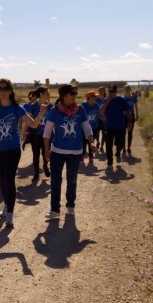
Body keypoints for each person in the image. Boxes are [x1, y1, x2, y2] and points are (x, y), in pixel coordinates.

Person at [0, 78, 44, 228]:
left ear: (10, 90)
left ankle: (10, 213)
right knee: (2, 180)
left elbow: (33, 124)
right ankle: (7, 203)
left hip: (12, 149)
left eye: (5, 88)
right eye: (0, 88)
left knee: (10, 179)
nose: (2, 91)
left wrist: (41, 113)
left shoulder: (17, 108)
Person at [43, 84, 96, 219]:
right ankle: (55, 210)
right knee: (56, 181)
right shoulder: (54, 111)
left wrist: (91, 142)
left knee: (72, 180)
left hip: (75, 152)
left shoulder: (80, 110)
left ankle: (70, 206)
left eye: (75, 93)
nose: (75, 96)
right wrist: (46, 151)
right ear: (64, 95)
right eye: (72, 93)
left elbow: (87, 128)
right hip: (57, 152)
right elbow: (47, 133)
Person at [26, 86, 52, 181]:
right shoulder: (32, 106)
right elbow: (28, 121)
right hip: (35, 135)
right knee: (35, 154)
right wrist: (24, 133)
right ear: (41, 94)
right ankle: (36, 173)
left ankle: (45, 166)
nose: (48, 94)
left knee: (45, 153)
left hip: (47, 135)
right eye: (46, 93)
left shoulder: (50, 106)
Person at [99, 84, 129, 166]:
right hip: (109, 127)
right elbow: (100, 110)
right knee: (108, 145)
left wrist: (129, 122)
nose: (111, 93)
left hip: (120, 126)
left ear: (116, 92)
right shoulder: (106, 100)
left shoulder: (121, 100)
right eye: (110, 91)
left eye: (113, 91)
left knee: (120, 143)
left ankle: (118, 152)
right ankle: (110, 160)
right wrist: (108, 101)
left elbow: (128, 111)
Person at [81, 91, 100, 164]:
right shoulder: (83, 105)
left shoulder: (96, 105)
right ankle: (82, 157)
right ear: (90, 97)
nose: (96, 98)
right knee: (84, 143)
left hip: (94, 128)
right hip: (84, 128)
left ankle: (91, 157)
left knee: (91, 143)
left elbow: (98, 115)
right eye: (94, 96)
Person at [122, 85, 139, 156]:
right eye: (126, 89)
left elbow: (136, 106)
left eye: (128, 89)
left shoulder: (133, 98)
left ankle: (127, 148)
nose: (127, 90)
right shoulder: (122, 99)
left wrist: (137, 114)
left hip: (131, 116)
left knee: (129, 133)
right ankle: (124, 148)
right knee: (124, 133)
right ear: (124, 90)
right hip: (124, 116)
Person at [95, 86, 107, 152]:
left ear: (104, 91)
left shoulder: (106, 100)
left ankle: (102, 145)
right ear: (98, 91)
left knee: (104, 133)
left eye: (102, 90)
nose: (101, 92)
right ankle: (97, 142)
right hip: (97, 118)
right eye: (99, 90)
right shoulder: (96, 99)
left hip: (104, 118)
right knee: (97, 132)